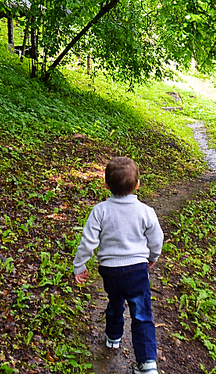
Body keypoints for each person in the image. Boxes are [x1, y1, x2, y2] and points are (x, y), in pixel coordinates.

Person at [73, 156, 163, 374]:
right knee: (141, 314)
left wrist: (80, 265)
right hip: (137, 270)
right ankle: (147, 363)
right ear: (138, 185)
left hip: (110, 272)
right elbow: (156, 238)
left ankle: (113, 337)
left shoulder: (100, 210)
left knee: (115, 301)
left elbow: (88, 240)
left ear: (105, 185)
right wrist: (153, 256)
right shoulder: (145, 211)